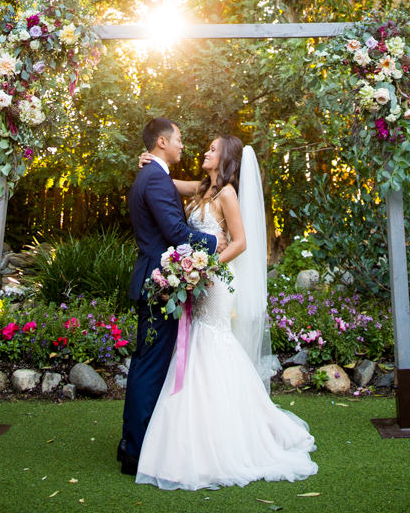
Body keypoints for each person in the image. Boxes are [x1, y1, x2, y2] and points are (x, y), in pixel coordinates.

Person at [134, 133, 318, 490]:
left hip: (215, 279)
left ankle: (230, 431)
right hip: (198, 276)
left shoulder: (228, 194)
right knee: (197, 339)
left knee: (211, 338)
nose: (205, 151)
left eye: (213, 149)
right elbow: (164, 181)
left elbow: (241, 242)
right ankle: (199, 429)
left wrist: (207, 266)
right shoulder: (202, 189)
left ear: (226, 158)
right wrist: (148, 161)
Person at [119, 117, 220, 476]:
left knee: (149, 361)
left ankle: (132, 441)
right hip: (157, 284)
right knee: (151, 364)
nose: (183, 145)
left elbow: (192, 193)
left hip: (155, 280)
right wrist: (215, 242)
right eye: (178, 139)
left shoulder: (154, 176)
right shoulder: (156, 180)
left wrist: (218, 179)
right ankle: (136, 450)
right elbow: (176, 232)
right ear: (162, 142)